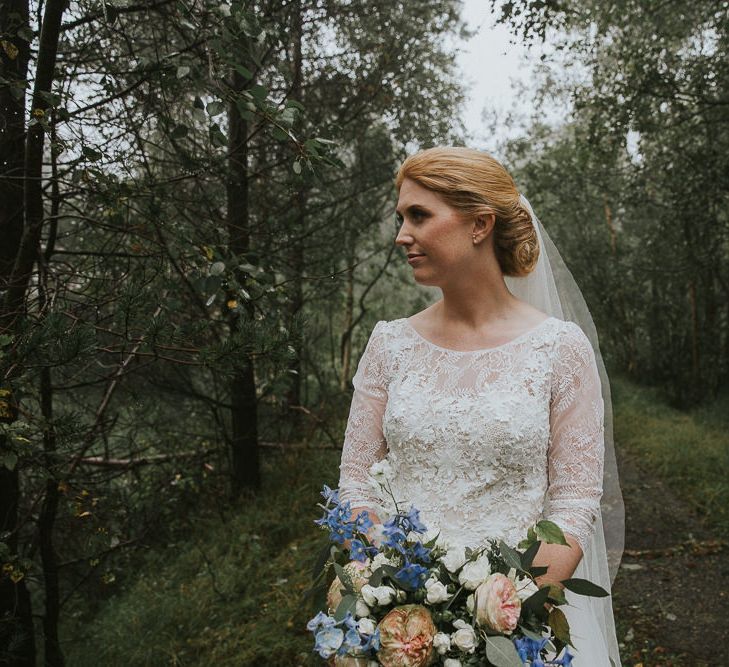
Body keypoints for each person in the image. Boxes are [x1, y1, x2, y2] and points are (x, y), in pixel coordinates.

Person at [337, 147, 623, 666]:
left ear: (480, 224)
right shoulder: (389, 346)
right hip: (400, 634)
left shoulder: (560, 349)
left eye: (419, 216)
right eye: (401, 218)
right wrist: (390, 601)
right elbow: (357, 483)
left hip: (518, 632)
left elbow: (575, 503)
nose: (402, 235)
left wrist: (502, 619)